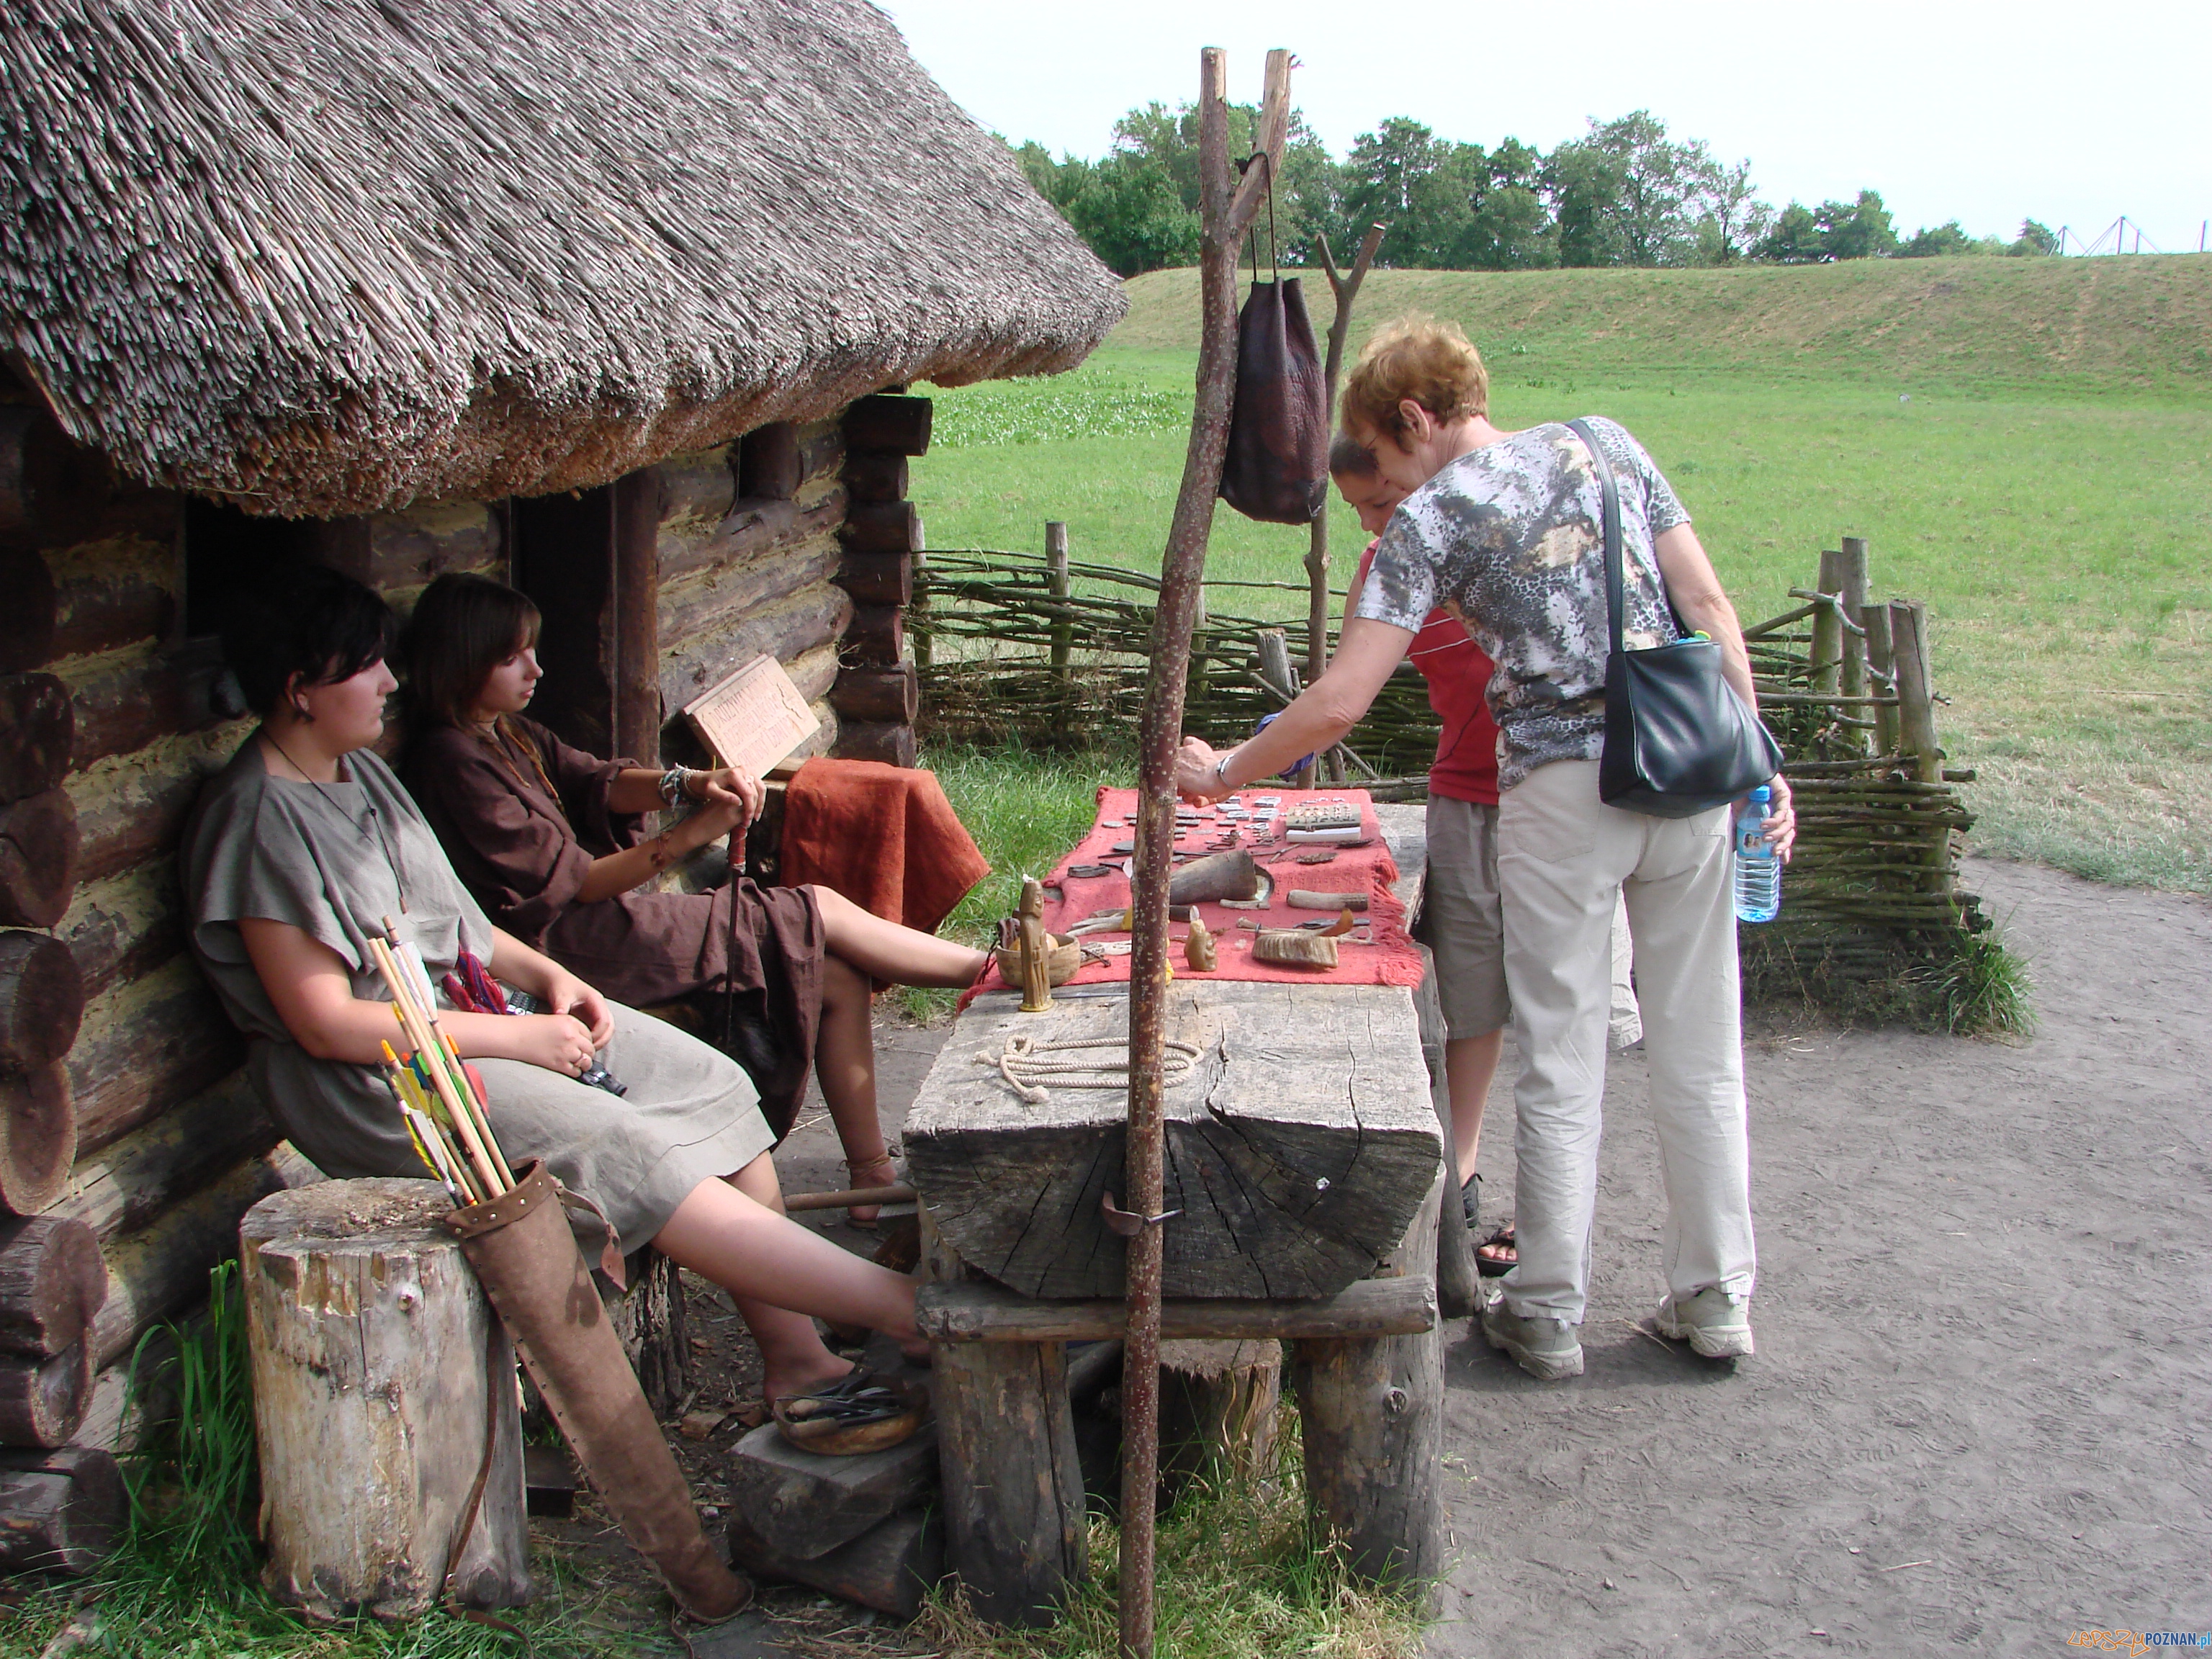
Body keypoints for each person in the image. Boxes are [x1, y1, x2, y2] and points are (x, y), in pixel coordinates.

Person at [1178, 316, 1794, 1380]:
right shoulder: (1609, 441)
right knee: (1702, 1046)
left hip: (1564, 792)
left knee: (1560, 1051)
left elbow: (1336, 704)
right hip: (1689, 771)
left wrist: (1225, 771)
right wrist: (1758, 756)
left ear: (1412, 419)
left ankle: (1548, 1310)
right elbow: (1707, 604)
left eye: (1380, 459)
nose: (1387, 496)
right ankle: (1717, 1299)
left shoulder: (1433, 518)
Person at [181, 562, 914, 1403]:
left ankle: (796, 1357)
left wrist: (551, 979)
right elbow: (327, 1026)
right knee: (623, 1145)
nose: (390, 681)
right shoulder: (260, 819)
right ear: (299, 688)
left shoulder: (364, 774)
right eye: (366, 666)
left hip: (472, 1014)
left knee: (708, 1081)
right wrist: (522, 1036)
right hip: (391, 1080)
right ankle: (903, 1311)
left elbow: (461, 926)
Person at [400, 573, 987, 1223]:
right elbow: (577, 884)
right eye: (512, 657)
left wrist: (691, 782)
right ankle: (992, 970)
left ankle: (871, 1171)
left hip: (601, 923)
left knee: (838, 974)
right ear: (461, 659)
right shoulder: (449, 760)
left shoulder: (504, 732)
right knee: (811, 908)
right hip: (566, 947)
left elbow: (599, 783)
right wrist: (688, 836)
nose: (535, 668)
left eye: (531, 650)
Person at [1329, 436, 1642, 1277]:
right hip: (1467, 792)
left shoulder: (1495, 534)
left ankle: (1552, 1233)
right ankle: (1461, 1174)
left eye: (1383, 499)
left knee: (1560, 1016)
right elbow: (1340, 695)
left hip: (1558, 792)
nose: (1372, 521)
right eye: (1359, 507)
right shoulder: (1385, 565)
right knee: (1472, 997)